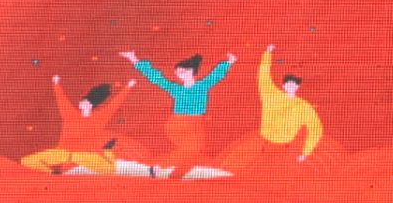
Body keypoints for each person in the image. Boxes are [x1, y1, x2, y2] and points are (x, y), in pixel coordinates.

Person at [120, 49, 235, 177]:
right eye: (178, 73)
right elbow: (157, 78)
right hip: (179, 123)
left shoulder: (202, 86)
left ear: (191, 71)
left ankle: (175, 175)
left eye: (182, 71)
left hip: (196, 124)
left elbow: (216, 75)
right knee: (191, 149)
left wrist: (228, 62)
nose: (179, 75)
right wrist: (134, 59)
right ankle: (159, 166)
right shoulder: (176, 89)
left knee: (195, 151)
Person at [18, 75, 148, 176]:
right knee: (27, 161)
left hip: (85, 159)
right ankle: (54, 175)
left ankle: (149, 171)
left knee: (112, 167)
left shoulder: (99, 118)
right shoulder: (70, 114)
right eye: (82, 101)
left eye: (85, 101)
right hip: (65, 156)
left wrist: (128, 87)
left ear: (90, 104)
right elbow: (62, 100)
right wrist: (56, 84)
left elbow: (114, 105)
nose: (81, 103)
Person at [256, 46, 323, 162]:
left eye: (295, 83)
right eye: (289, 82)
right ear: (283, 84)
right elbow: (263, 76)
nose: (292, 85)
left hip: (285, 148)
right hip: (264, 145)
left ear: (298, 86)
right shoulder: (270, 94)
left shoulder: (304, 107)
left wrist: (305, 152)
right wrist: (267, 53)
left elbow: (316, 128)